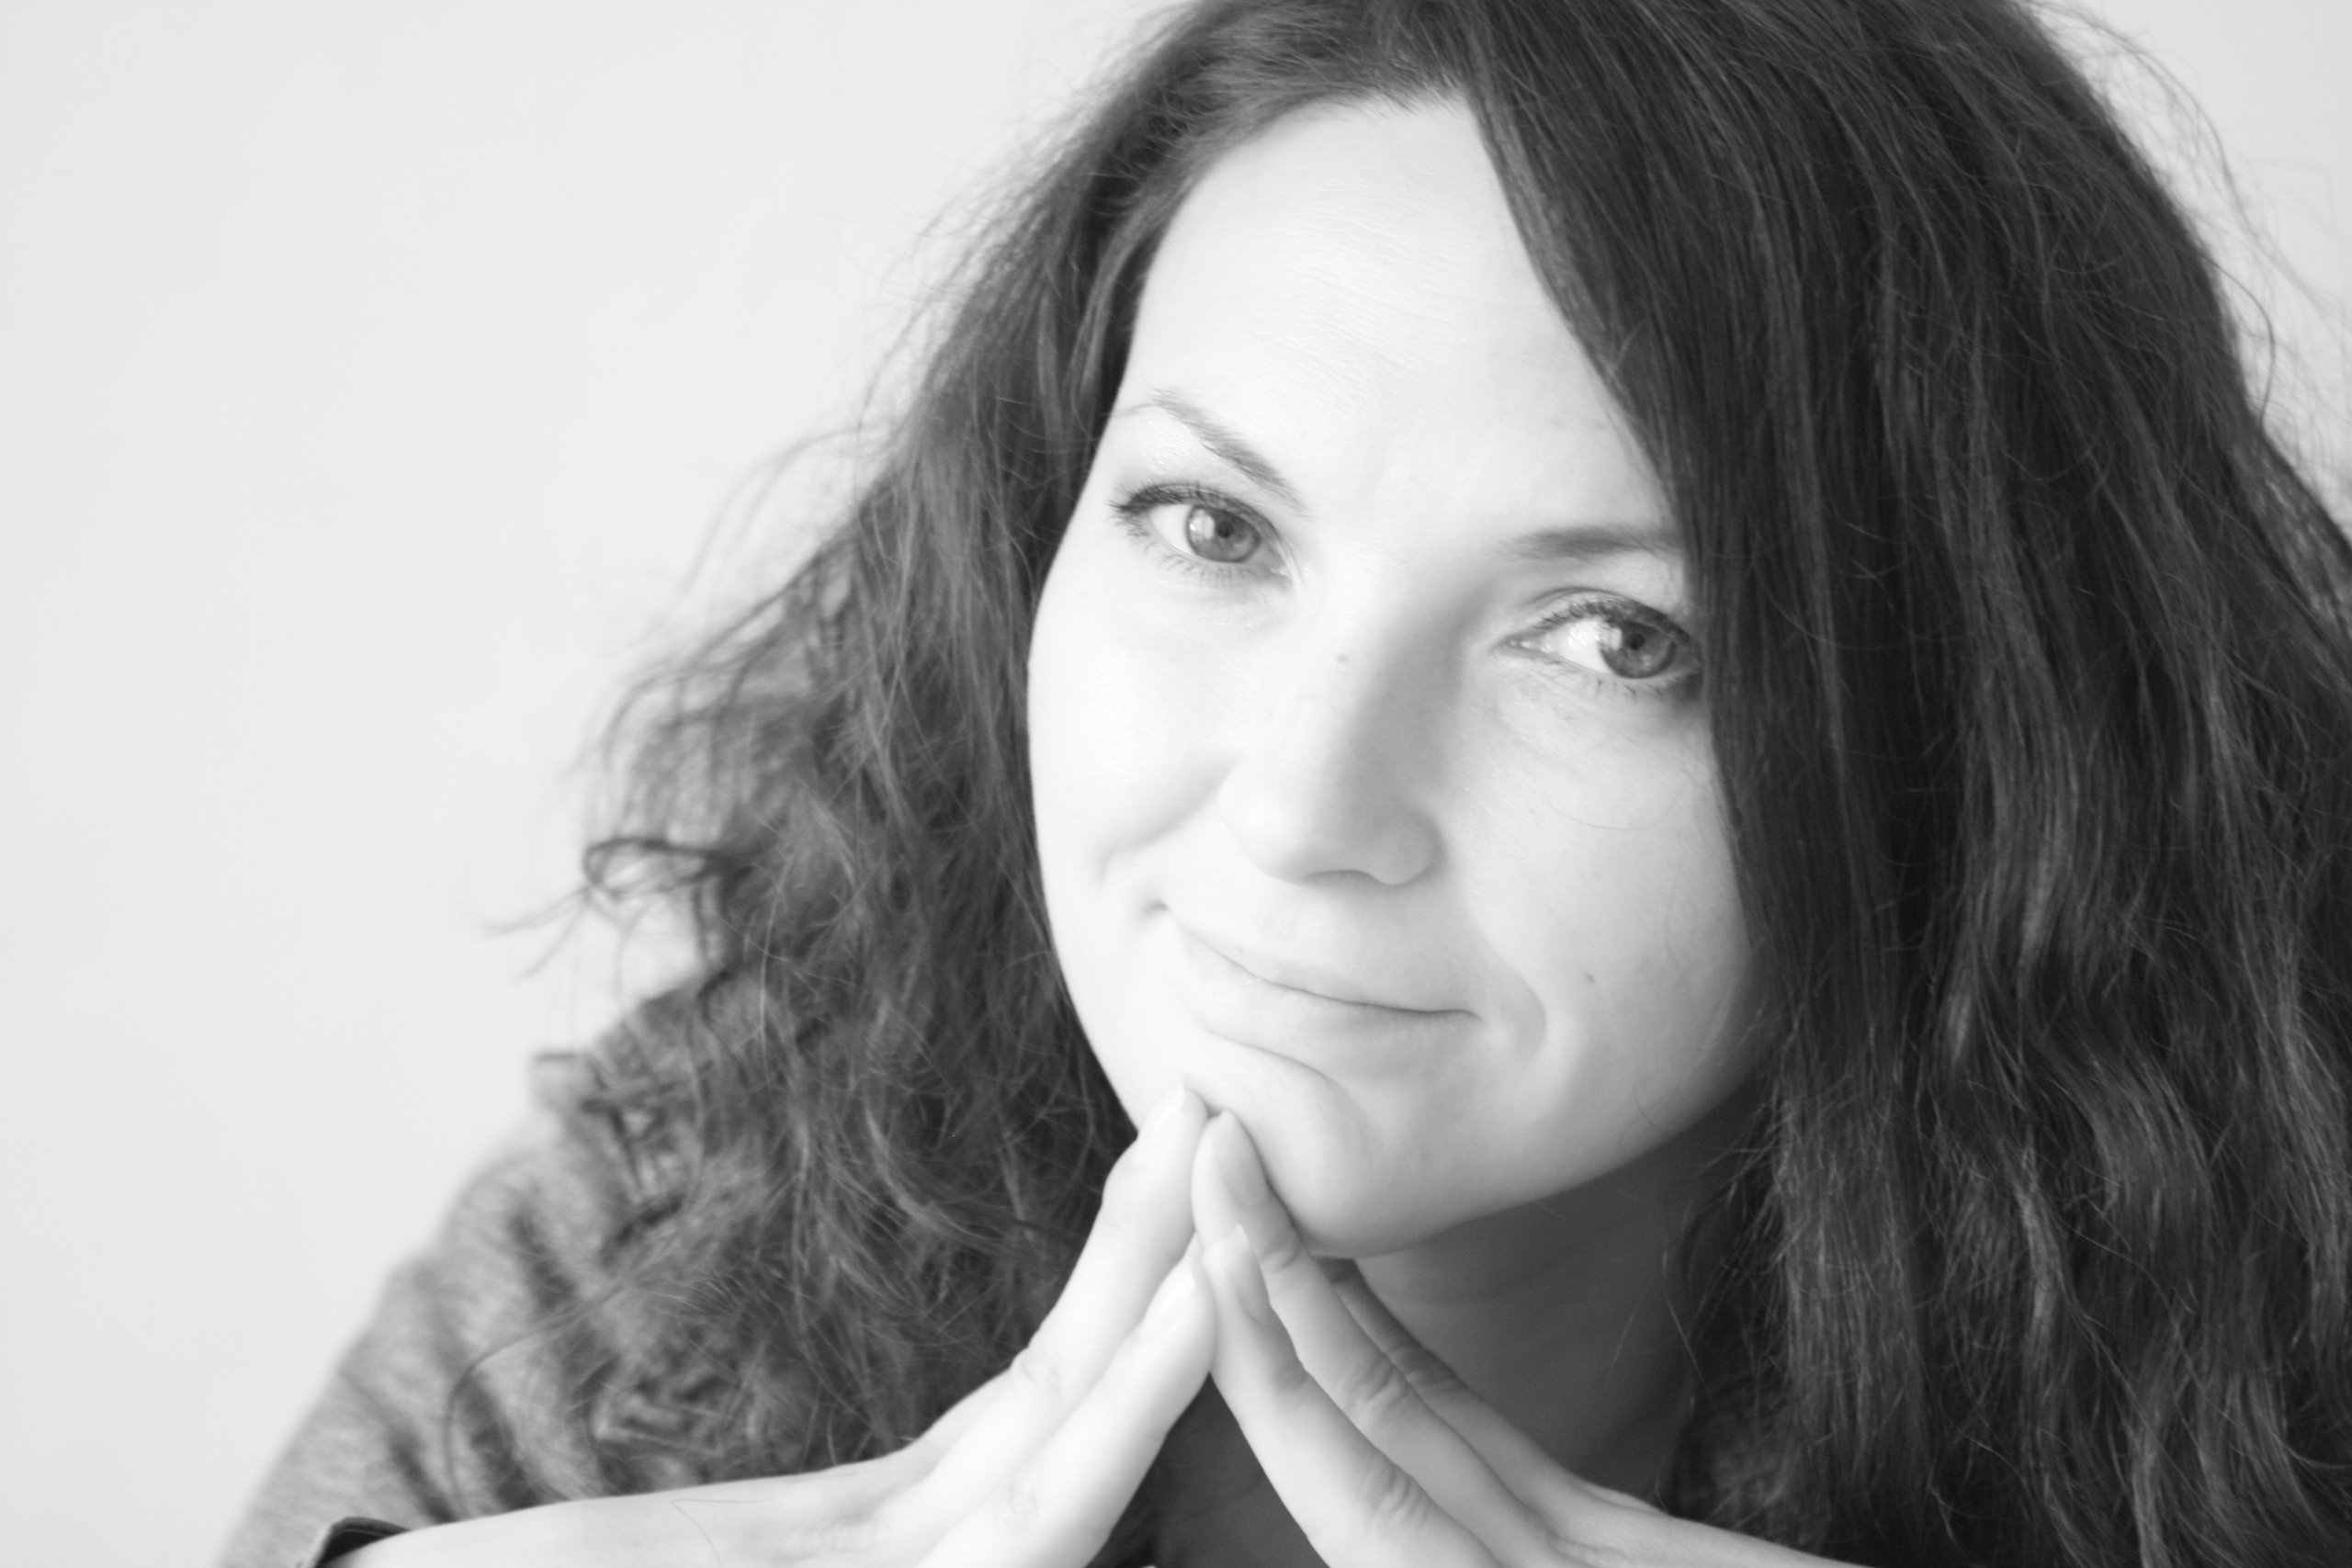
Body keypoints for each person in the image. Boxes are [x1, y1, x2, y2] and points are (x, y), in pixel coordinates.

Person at [223, 0, 2352, 1563]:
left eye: (1614, 638)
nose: (1303, 808)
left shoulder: (2288, 1365)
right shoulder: (646, 1268)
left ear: (1974, 743)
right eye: (1210, 526)